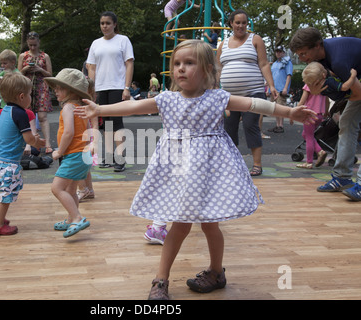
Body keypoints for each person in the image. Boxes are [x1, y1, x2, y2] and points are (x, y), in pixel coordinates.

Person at [75, 40, 317, 299]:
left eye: (189, 63)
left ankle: (215, 272)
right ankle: (161, 279)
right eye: (177, 64)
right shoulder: (166, 99)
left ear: (207, 70)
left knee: (210, 225)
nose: (181, 69)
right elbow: (133, 107)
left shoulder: (217, 98)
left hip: (208, 172)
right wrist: (99, 108)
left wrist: (290, 112)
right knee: (180, 224)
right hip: (179, 172)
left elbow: (254, 105)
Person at [290, 27, 361, 201]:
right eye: (298, 55)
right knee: (346, 123)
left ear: (317, 46)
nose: (302, 58)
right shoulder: (323, 60)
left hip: (358, 86)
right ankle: (342, 177)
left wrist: (325, 92)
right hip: (357, 83)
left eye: (304, 53)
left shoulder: (337, 60)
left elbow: (357, 94)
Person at [216, 9, 279, 177]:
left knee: (251, 125)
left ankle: (257, 165)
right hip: (229, 96)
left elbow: (264, 64)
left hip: (253, 92)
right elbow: (217, 70)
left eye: (244, 22)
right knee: (229, 129)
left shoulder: (255, 39)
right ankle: (232, 164)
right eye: (238, 22)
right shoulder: (223, 45)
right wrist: (214, 90)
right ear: (231, 24)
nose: (241, 26)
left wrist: (271, 86)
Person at [0, 72, 45, 236]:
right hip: (8, 164)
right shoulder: (20, 113)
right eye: (30, 94)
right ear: (22, 96)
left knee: (4, 192)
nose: (31, 97)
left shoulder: (4, 111)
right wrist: (37, 142)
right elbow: (28, 138)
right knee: (6, 196)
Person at [44, 68, 93, 238]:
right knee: (71, 190)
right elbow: (89, 129)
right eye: (55, 87)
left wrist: (60, 151)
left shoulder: (68, 107)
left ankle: (76, 217)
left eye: (60, 87)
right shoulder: (81, 108)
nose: (56, 91)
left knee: (57, 188)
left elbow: (68, 133)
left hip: (73, 155)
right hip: (83, 155)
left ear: (71, 90)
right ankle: (71, 217)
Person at [86, 11, 134, 172]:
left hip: (117, 86)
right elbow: (91, 67)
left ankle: (120, 158)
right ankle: (108, 156)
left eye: (108, 23)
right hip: (100, 87)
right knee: (105, 124)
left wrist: (126, 87)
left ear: (114, 24)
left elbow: (129, 64)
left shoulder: (123, 40)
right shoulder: (96, 43)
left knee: (116, 122)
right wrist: (91, 90)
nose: (105, 26)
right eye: (102, 23)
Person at [18, 31, 53, 154]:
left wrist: (40, 69)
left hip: (41, 86)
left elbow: (50, 75)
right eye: (30, 45)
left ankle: (48, 143)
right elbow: (18, 74)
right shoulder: (23, 56)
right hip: (27, 87)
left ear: (39, 43)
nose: (33, 47)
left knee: (42, 116)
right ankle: (32, 143)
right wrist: (25, 69)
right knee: (29, 116)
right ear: (27, 43)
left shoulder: (45, 56)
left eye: (35, 45)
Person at [293, 83, 329, 169]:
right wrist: (326, 111)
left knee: (309, 136)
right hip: (319, 114)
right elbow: (327, 100)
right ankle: (320, 151)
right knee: (305, 134)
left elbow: (302, 101)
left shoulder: (309, 85)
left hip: (309, 114)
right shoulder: (324, 85)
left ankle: (309, 162)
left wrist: (294, 112)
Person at [77, 77, 98, 202]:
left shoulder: (89, 105)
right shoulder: (77, 104)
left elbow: (95, 124)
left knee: (77, 167)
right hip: (83, 138)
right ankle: (89, 190)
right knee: (85, 168)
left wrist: (94, 142)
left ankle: (83, 189)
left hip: (83, 140)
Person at [268, 45, 293, 133]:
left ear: (283, 52)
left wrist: (285, 88)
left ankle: (281, 125)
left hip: (281, 88)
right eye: (277, 51)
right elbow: (271, 76)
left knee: (280, 107)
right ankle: (277, 125)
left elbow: (289, 75)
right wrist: (268, 88)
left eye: (280, 51)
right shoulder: (274, 64)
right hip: (274, 88)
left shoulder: (287, 62)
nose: (278, 53)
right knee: (274, 108)